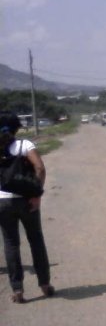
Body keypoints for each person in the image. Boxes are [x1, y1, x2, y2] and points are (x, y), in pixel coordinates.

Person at [0, 112, 53, 304]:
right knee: (36, 240)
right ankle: (45, 285)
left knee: (11, 244)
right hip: (26, 200)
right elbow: (40, 168)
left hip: (2, 203)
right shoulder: (24, 145)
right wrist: (36, 195)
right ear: (17, 128)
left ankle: (18, 290)